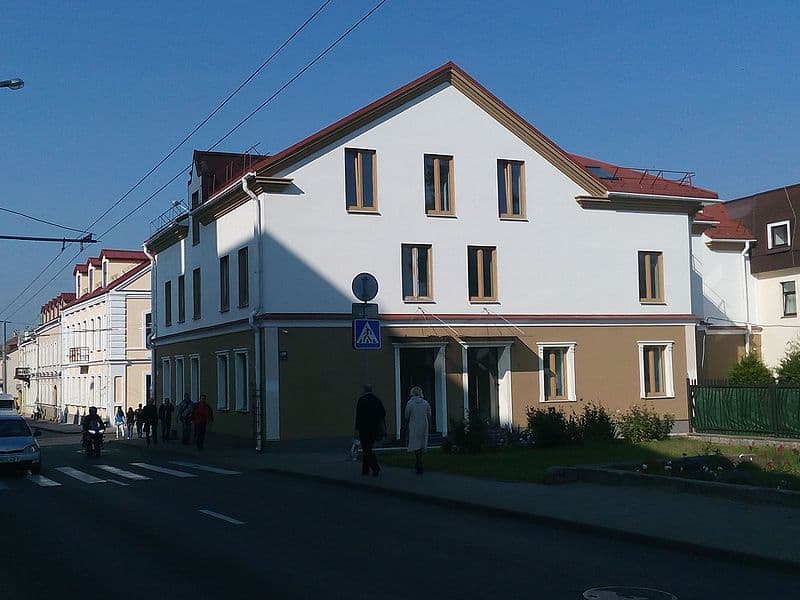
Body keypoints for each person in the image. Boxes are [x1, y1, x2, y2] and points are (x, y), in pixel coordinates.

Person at [354, 385, 386, 477]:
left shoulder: (361, 400)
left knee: (366, 449)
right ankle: (365, 470)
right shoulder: (377, 400)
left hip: (364, 429)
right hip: (374, 428)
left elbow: (358, 416)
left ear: (364, 390)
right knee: (368, 448)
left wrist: (356, 428)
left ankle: (375, 467)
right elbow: (383, 413)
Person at [404, 386, 432, 474]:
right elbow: (429, 414)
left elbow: (406, 415)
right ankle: (419, 462)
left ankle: (418, 462)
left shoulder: (410, 403)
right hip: (424, 424)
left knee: (415, 443)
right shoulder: (425, 403)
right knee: (421, 443)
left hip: (414, 424)